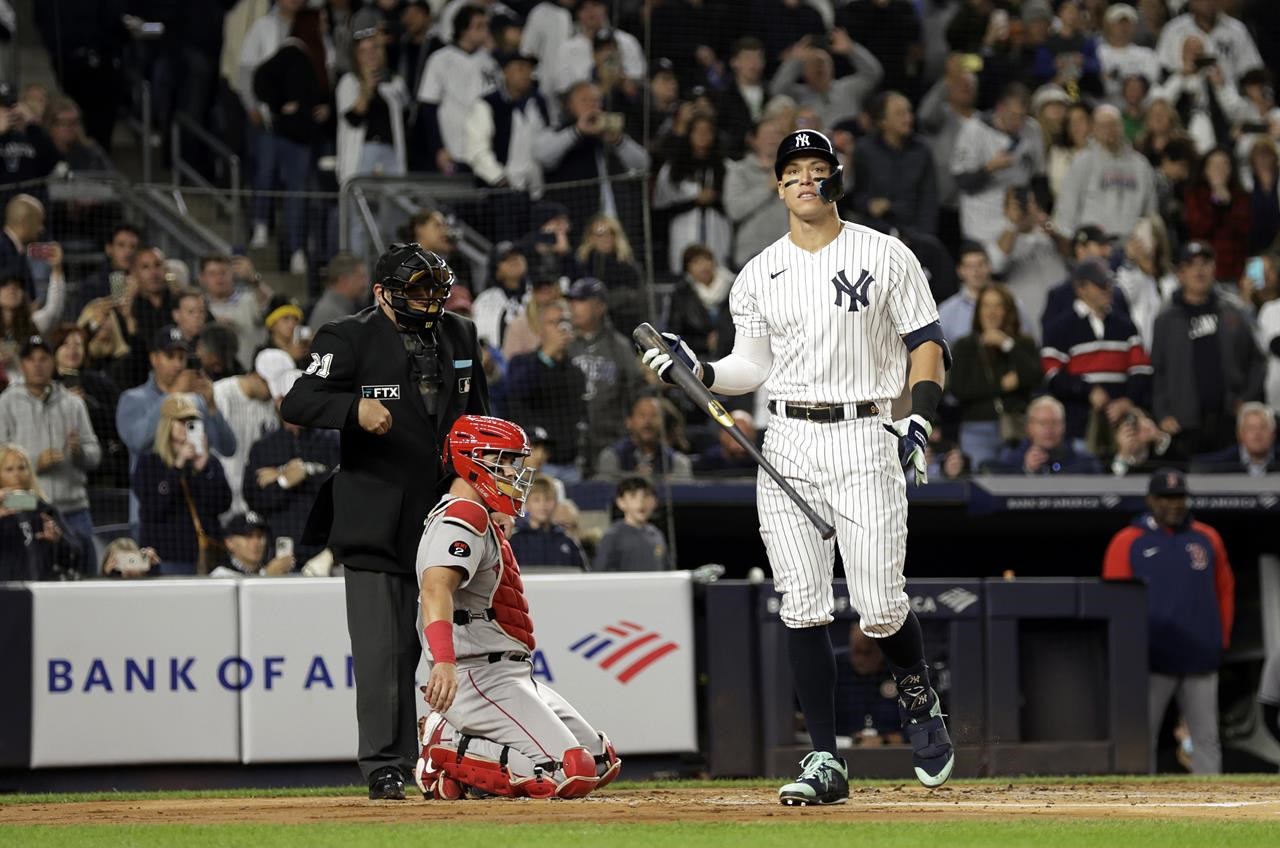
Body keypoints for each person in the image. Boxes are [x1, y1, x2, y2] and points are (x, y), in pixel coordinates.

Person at [641, 128, 956, 802]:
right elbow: (750, 366)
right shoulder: (758, 272)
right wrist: (695, 367)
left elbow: (926, 343)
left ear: (836, 179)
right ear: (777, 186)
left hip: (865, 431)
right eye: (793, 171)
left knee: (879, 605)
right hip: (785, 438)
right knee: (802, 606)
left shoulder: (885, 253)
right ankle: (825, 761)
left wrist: (921, 418)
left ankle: (919, 695)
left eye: (818, 169)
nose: (805, 180)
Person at [280, 243, 488, 801]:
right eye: (415, 289)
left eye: (434, 287)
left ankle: (465, 760)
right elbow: (297, 401)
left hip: (446, 514)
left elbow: (483, 422)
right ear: (381, 293)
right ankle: (386, 766)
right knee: (386, 652)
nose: (428, 299)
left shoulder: (462, 335)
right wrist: (352, 409)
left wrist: (488, 501)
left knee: (464, 647)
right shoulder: (347, 337)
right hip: (375, 519)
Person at [410, 414, 620, 799]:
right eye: (504, 461)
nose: (513, 472)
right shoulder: (461, 515)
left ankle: (465, 765)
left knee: (599, 760)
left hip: (510, 673)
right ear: (473, 460)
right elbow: (435, 589)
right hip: (476, 675)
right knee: (569, 772)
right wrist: (443, 661)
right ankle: (445, 744)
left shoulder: (479, 516)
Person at [1103, 468, 1234, 774]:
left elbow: (1225, 591)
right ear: (1151, 500)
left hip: (1199, 656)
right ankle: (1137, 810)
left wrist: (1221, 640)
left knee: (1206, 739)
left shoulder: (1207, 538)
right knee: (1139, 739)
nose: (1173, 505)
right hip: (1150, 660)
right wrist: (1125, 653)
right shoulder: (1128, 541)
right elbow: (1114, 603)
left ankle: (1214, 809)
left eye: (1179, 498)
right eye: (1165, 498)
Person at [1151, 242, 1264, 457]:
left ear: (1214, 269)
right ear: (1180, 274)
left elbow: (1257, 361)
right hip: (1184, 425)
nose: (1199, 270)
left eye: (1205, 264)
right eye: (1191, 265)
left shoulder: (1232, 313)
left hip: (1229, 421)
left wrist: (1246, 399)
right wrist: (1162, 413)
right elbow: (1158, 371)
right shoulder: (1165, 320)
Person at [0, 333, 100, 563]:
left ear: (53, 362)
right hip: (27, 507)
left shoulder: (73, 403)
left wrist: (79, 453)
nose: (37, 365)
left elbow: (95, 455)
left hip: (74, 507)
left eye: (43, 358)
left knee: (86, 575)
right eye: (31, 359)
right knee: (35, 575)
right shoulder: (6, 403)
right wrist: (35, 464)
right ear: (21, 364)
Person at [251, 7, 332, 276]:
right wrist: (277, 106)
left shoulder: (321, 53)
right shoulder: (292, 50)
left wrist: (323, 108)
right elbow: (260, 79)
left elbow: (319, 92)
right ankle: (260, 224)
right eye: (319, 22)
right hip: (277, 133)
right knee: (267, 177)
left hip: (301, 140)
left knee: (297, 196)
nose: (324, 26)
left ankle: (297, 251)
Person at [1041, 259, 1152, 450]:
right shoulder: (1059, 328)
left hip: (1122, 426)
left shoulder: (1125, 325)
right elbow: (1052, 375)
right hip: (1079, 426)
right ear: (1081, 288)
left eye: (1109, 283)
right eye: (1100, 284)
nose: (1107, 289)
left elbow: (1141, 369)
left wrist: (1127, 400)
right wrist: (1087, 390)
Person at [244, 367, 340, 565]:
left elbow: (341, 489)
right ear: (278, 402)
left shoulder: (332, 441)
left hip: (325, 552)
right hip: (280, 550)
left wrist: (304, 472)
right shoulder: (264, 447)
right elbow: (254, 498)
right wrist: (284, 481)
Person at [133, 394, 233, 575]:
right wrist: (178, 466)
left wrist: (202, 469)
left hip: (204, 557)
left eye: (192, 421)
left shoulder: (209, 463)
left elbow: (223, 504)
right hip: (166, 558)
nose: (187, 427)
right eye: (181, 421)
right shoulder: (149, 463)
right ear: (167, 425)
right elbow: (153, 508)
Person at [949, 285, 1042, 470]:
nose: (991, 313)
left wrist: (1008, 344)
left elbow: (1035, 377)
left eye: (998, 306)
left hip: (1017, 430)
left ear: (1008, 311)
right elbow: (959, 389)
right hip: (977, 431)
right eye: (986, 306)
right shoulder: (964, 346)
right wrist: (1002, 385)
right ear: (978, 311)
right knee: (982, 484)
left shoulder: (1023, 343)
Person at [565, 278, 644, 476]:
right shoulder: (564, 344)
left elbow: (636, 389)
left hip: (610, 438)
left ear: (599, 307)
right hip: (570, 439)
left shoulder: (619, 346)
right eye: (572, 301)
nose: (574, 307)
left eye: (581, 301)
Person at [503, 298, 587, 480]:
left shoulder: (575, 371)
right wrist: (546, 356)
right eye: (553, 322)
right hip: (532, 464)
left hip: (569, 465)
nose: (561, 327)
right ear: (540, 330)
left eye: (564, 321)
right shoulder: (520, 363)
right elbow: (517, 391)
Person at [951, 83, 1046, 245]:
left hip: (1017, 221)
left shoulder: (1032, 129)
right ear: (1000, 108)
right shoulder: (974, 129)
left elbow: (1039, 178)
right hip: (981, 223)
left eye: (1023, 116)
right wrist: (990, 168)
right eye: (1014, 116)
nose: (1019, 123)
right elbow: (963, 182)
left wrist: (1037, 209)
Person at [1053, 105, 1157, 241]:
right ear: (1094, 129)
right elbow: (1067, 206)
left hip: (1131, 244)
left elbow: (1150, 210)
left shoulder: (1141, 165)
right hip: (1094, 244)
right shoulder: (1082, 162)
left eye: (1113, 125)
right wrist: (1068, 239)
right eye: (1103, 126)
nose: (1109, 131)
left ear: (1122, 127)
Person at [852, 92, 938, 237]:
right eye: (900, 114)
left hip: (913, 232)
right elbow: (854, 192)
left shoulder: (922, 150)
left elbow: (928, 199)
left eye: (909, 112)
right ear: (882, 121)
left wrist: (924, 238)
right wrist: (868, 204)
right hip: (874, 232)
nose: (908, 119)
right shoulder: (864, 149)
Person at [0, 442, 79, 580]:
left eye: (22, 468)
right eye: (9, 469)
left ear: (29, 472)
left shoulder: (44, 509)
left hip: (41, 588)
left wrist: (58, 540)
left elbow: (75, 553)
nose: (17, 475)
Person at [724, 118, 789, 271]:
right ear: (752, 140)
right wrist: (768, 187)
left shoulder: (796, 171)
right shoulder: (739, 171)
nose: (773, 139)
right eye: (767, 135)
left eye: (777, 134)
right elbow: (735, 209)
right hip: (751, 255)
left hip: (790, 254)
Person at [988, 395, 1104, 475]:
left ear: (1064, 426)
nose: (1049, 429)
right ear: (1029, 427)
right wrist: (1027, 470)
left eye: (1054, 422)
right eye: (1042, 423)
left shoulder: (1085, 463)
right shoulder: (1011, 460)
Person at [1184, 147, 1252, 282]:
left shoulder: (1242, 197)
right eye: (1214, 164)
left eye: (1224, 164)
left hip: (1236, 269)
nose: (1219, 169)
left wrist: (1228, 203)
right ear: (1205, 170)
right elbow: (1199, 229)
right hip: (1204, 271)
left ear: (1231, 169)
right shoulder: (1195, 196)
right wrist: (1216, 202)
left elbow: (1245, 231)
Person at [595, 394, 693, 482]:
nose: (648, 421)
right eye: (642, 415)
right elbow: (604, 490)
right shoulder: (612, 456)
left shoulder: (678, 461)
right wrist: (634, 479)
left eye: (654, 415)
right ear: (629, 422)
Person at [835, 623, 905, 742]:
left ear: (882, 650)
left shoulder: (902, 672)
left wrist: (884, 741)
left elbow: (923, 728)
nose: (861, 659)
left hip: (893, 752)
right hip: (840, 747)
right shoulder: (834, 667)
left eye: (868, 652)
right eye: (857, 651)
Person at [508, 475, 587, 570]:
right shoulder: (514, 540)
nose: (543, 505)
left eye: (548, 499)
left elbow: (583, 575)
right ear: (526, 504)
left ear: (556, 503)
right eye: (536, 500)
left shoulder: (567, 540)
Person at [593, 474, 669, 572]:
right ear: (621, 502)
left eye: (646, 495)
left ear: (654, 502)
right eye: (633, 496)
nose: (641, 502)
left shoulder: (657, 535)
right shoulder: (613, 536)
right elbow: (600, 573)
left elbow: (665, 570)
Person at [1190, 402, 1278, 474]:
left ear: (1273, 433)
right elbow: (1197, 466)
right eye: (1251, 428)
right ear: (1240, 434)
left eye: (1263, 427)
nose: (1257, 433)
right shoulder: (1221, 464)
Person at [76, 223, 140, 314]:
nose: (128, 252)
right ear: (109, 249)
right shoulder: (93, 285)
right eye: (121, 245)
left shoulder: (144, 281)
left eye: (133, 246)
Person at [210, 511, 295, 577]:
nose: (256, 542)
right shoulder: (221, 574)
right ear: (229, 542)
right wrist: (267, 576)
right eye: (248, 536)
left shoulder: (268, 568)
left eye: (260, 536)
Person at [308, 252, 370, 331]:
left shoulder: (341, 309)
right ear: (344, 280)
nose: (365, 283)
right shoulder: (329, 313)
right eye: (361, 277)